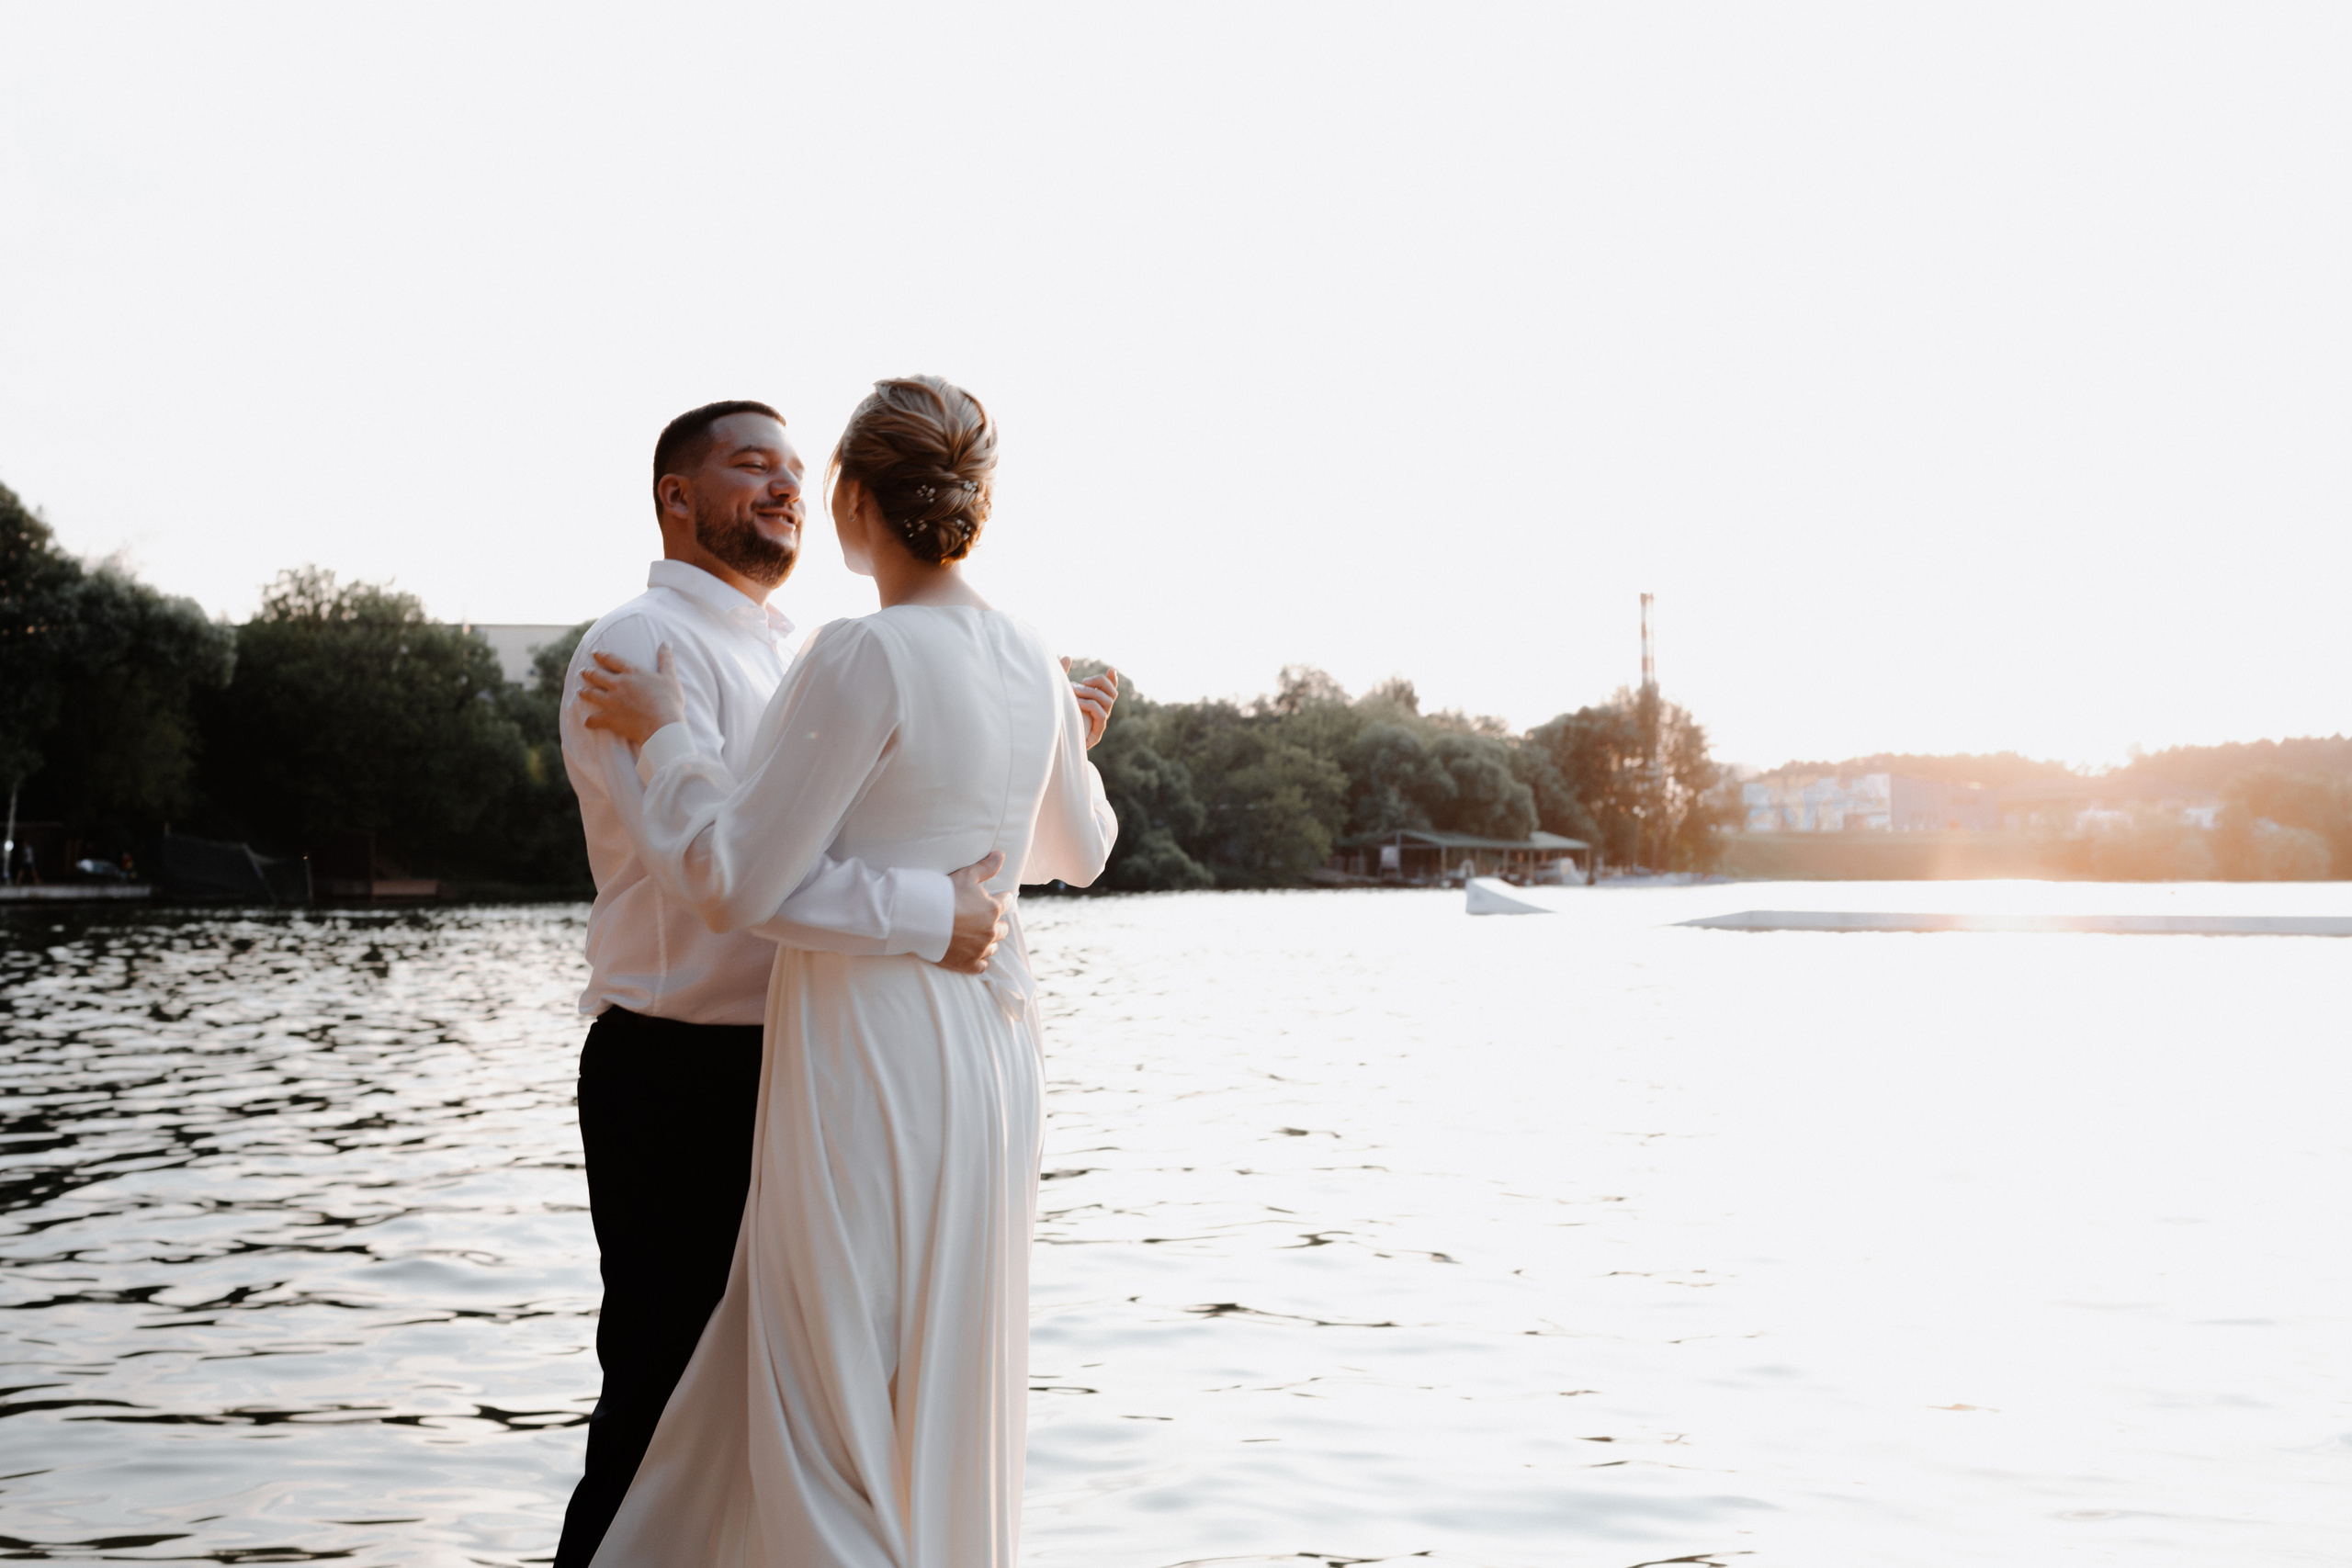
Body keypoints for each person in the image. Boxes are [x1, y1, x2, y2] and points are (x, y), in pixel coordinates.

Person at [553, 398, 1114, 1566]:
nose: (783, 485)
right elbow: (725, 875)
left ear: (855, 496)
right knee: (668, 1409)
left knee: (822, 1402)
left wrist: (1008, 763)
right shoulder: (637, 649)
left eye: (799, 469)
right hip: (687, 1066)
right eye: (751, 465)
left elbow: (840, 833)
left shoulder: (822, 647)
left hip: (837, 1060)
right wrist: (936, 907)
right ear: (675, 496)